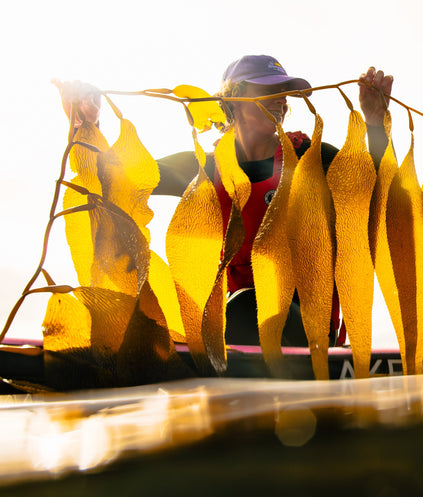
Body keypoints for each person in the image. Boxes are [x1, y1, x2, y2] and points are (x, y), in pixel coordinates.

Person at [58, 55, 394, 348]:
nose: (280, 102)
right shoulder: (203, 169)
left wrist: (376, 123)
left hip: (308, 331)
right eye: (268, 91)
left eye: (284, 94)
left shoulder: (313, 157)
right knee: (195, 311)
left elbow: (382, 197)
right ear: (233, 101)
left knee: (249, 306)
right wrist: (85, 122)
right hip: (226, 329)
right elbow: (113, 178)